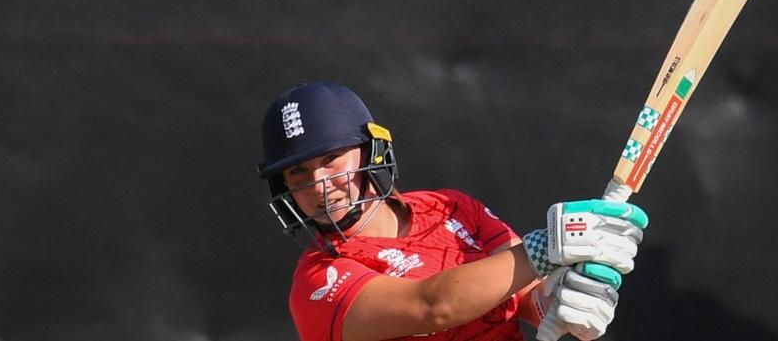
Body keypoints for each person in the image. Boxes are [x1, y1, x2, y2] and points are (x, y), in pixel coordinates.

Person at [257, 82, 648, 341]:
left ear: (372, 151)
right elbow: (433, 307)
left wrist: (562, 300)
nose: (320, 183)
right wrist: (548, 248)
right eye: (299, 172)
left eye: (331, 157)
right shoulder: (318, 282)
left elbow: (525, 292)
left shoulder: (449, 206)